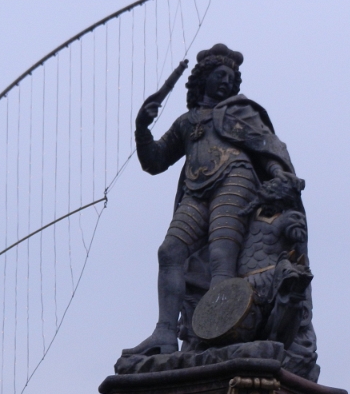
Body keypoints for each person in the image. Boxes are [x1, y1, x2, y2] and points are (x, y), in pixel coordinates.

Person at [129, 44, 303, 355]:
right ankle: (165, 333)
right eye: (219, 75)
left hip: (236, 178)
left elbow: (266, 145)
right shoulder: (187, 121)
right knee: (170, 251)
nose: (226, 81)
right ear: (203, 79)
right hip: (196, 190)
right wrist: (142, 128)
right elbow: (155, 161)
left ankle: (219, 333)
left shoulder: (240, 111)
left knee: (222, 256)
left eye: (231, 77)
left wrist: (279, 172)